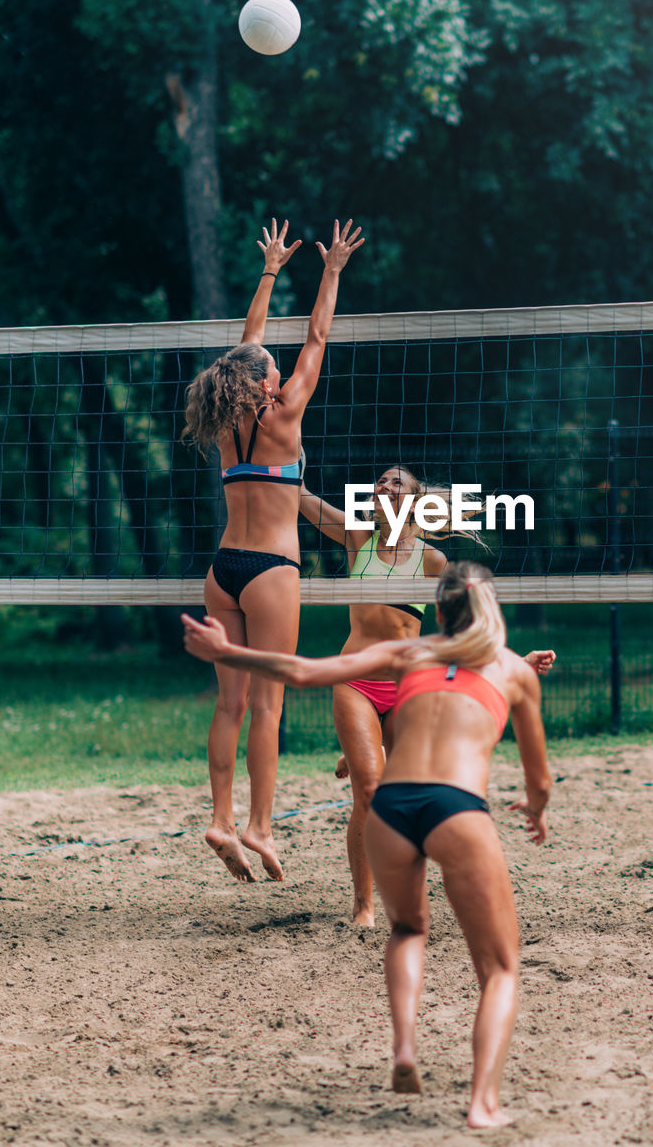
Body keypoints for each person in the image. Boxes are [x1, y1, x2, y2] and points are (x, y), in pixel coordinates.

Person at [181, 561, 551, 1129]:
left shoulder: (410, 655)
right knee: (501, 968)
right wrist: (537, 809)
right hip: (456, 809)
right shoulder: (512, 670)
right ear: (491, 609)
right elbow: (540, 781)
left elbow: (303, 671)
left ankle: (404, 1047)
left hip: (391, 810)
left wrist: (227, 652)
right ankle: (483, 1103)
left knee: (407, 930)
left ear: (438, 609)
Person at [181, 216, 365, 883]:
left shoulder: (227, 418)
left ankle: (220, 817)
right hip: (270, 572)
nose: (280, 369)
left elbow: (245, 346)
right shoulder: (286, 414)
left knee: (227, 704)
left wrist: (268, 271)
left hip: (222, 570)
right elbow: (317, 334)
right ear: (264, 383)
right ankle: (258, 825)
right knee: (267, 706)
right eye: (274, 369)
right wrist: (332, 270)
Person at [299, 469, 555, 926]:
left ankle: (363, 757)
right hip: (355, 680)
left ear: (417, 502)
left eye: (395, 483)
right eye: (379, 482)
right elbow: (301, 497)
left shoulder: (432, 560)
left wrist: (515, 661)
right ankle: (364, 905)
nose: (383, 487)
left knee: (404, 793)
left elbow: (466, 627)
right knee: (370, 792)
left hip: (404, 687)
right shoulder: (357, 537)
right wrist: (281, 452)